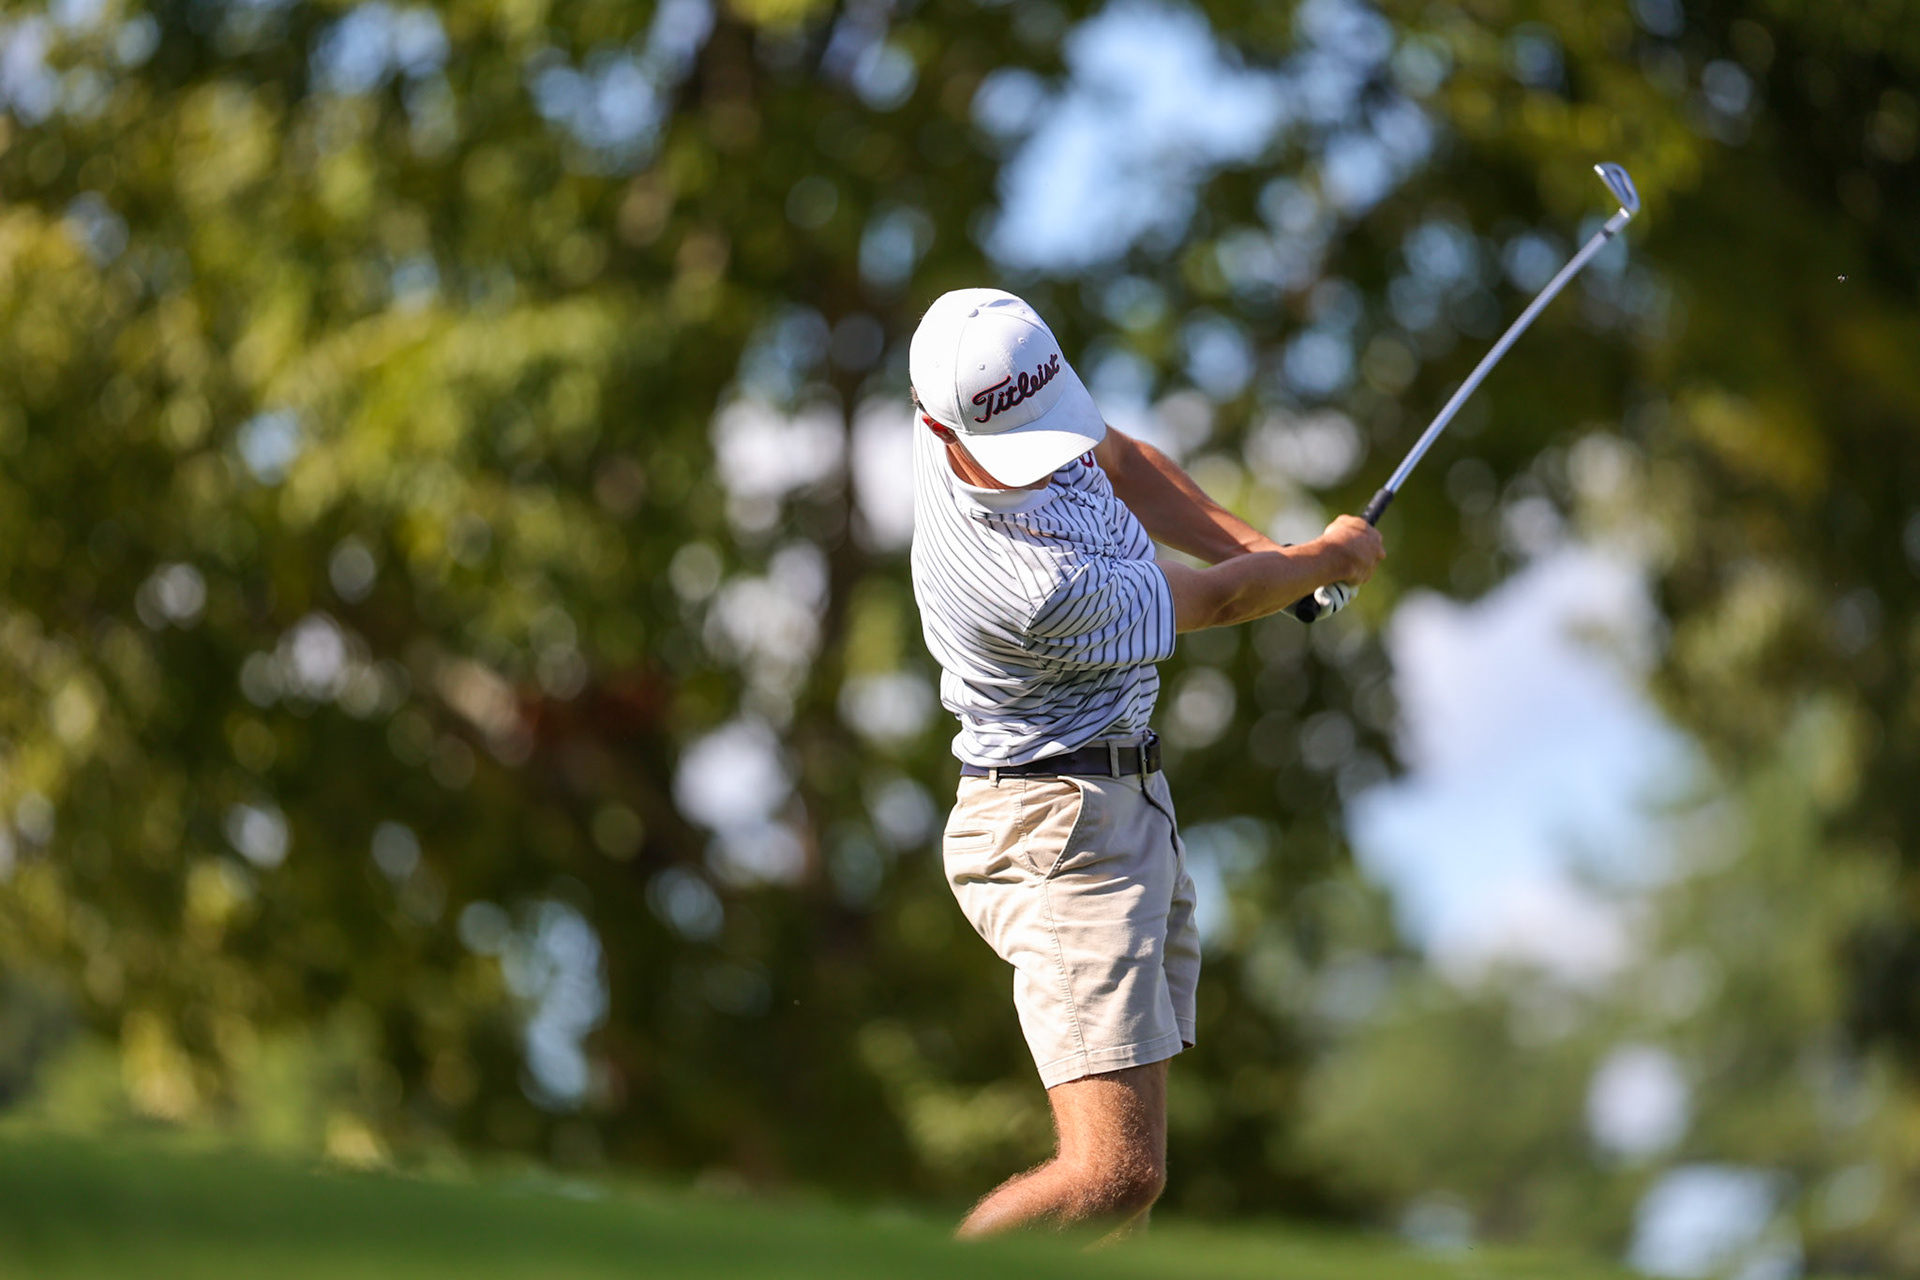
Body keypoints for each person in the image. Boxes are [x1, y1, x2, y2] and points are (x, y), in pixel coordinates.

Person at [907, 288, 1385, 1238]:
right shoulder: (1034, 587)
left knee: (1134, 1187)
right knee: (1110, 1175)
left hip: (1117, 803)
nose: (1051, 459)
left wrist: (1273, 551)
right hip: (1054, 834)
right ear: (937, 426)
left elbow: (1121, 461)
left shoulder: (973, 392)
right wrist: (1324, 560)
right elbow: (1211, 603)